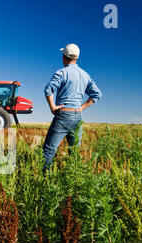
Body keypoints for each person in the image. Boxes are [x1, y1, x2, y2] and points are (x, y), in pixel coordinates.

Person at [42, 43, 102, 171]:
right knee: (74, 152)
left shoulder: (62, 72)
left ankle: (43, 178)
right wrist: (81, 107)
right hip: (78, 116)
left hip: (63, 114)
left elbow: (48, 89)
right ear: (77, 57)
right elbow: (97, 94)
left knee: (49, 150)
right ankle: (73, 179)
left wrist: (52, 106)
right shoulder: (85, 75)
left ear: (64, 57)